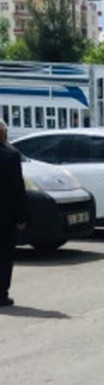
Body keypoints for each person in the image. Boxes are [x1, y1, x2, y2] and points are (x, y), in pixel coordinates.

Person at [0, 119, 29, 307]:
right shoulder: (10, 155)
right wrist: (21, 216)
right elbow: (17, 188)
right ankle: (1, 294)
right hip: (4, 215)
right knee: (3, 256)